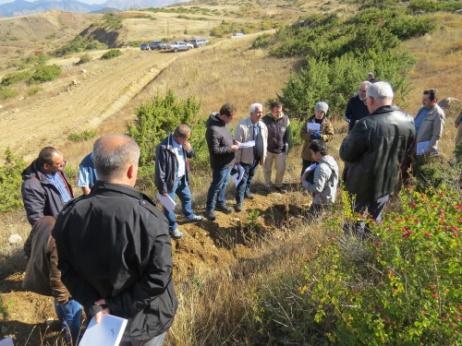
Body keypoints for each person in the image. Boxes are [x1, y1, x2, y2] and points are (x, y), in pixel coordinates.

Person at [53, 135, 177, 346]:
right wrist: (116, 306)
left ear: (96, 167)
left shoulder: (69, 216)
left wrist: (94, 304)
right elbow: (159, 276)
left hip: (101, 321)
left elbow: (66, 270)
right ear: (131, 170)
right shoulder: (150, 218)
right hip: (145, 321)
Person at [340, 81, 415, 236]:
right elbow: (409, 151)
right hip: (387, 181)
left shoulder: (366, 124)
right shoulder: (408, 121)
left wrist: (347, 139)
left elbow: (345, 154)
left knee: (352, 221)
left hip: (357, 185)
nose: (366, 103)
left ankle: (352, 254)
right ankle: (373, 251)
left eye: (366, 100)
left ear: (372, 100)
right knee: (375, 220)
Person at [23, 216, 82, 343]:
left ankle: (64, 325)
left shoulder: (44, 221)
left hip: (47, 278)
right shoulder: (62, 238)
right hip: (64, 284)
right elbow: (58, 273)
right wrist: (63, 297)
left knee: (59, 301)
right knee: (72, 310)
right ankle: (74, 339)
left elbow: (27, 247)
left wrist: (41, 264)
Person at [22, 146, 73, 256]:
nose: (62, 167)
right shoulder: (32, 185)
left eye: (63, 162)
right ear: (46, 166)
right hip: (57, 227)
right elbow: (37, 218)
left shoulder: (56, 170)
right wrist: (53, 239)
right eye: (59, 164)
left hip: (70, 219)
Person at [155, 125, 204, 239]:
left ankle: (189, 215)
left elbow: (192, 155)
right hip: (170, 181)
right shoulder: (164, 147)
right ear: (179, 137)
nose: (187, 141)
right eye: (186, 138)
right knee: (169, 206)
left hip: (182, 178)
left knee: (187, 197)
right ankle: (172, 228)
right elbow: (159, 170)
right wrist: (163, 189)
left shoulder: (183, 144)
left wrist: (189, 149)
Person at [205, 103, 240, 221]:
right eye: (230, 118)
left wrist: (234, 142)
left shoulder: (222, 124)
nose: (231, 120)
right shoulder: (212, 129)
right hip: (220, 165)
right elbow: (215, 150)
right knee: (216, 186)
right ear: (224, 115)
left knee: (224, 184)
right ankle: (209, 209)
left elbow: (225, 139)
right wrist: (231, 148)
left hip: (229, 162)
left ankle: (220, 203)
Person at [234, 103, 268, 212]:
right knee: (242, 180)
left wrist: (263, 156)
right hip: (245, 158)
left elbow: (265, 142)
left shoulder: (262, 126)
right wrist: (237, 160)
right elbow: (238, 145)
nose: (260, 114)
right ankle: (239, 202)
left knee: (250, 176)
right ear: (251, 113)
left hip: (256, 157)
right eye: (258, 112)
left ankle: (246, 192)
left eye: (261, 112)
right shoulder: (242, 126)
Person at [301, 140, 339, 216]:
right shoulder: (331, 161)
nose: (311, 156)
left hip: (321, 202)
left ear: (317, 153)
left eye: (312, 153)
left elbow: (317, 189)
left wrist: (304, 182)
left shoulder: (321, 168)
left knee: (309, 221)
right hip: (330, 198)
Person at [262, 100, 292, 192]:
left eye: (280, 111)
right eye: (276, 112)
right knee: (267, 169)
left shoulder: (286, 119)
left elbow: (289, 135)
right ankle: (267, 185)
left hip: (281, 150)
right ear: (272, 111)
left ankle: (278, 185)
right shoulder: (265, 119)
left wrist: (288, 147)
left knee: (281, 170)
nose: (279, 113)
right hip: (268, 150)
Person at [300, 101, 334, 175]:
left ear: (325, 113)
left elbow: (331, 135)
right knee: (306, 169)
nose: (319, 114)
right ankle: (303, 184)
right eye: (318, 111)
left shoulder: (327, 123)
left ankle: (315, 185)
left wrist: (322, 137)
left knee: (318, 171)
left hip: (320, 151)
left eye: (322, 112)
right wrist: (309, 136)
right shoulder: (308, 121)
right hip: (308, 151)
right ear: (315, 111)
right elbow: (302, 133)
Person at [414, 89, 446, 157]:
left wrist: (427, 150)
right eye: (422, 99)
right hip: (415, 146)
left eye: (425, 100)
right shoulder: (422, 109)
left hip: (424, 149)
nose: (422, 102)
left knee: (420, 166)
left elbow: (436, 135)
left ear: (433, 101)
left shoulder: (438, 114)